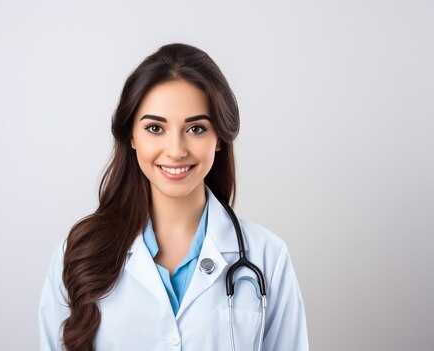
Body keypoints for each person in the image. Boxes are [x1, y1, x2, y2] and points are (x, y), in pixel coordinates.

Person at [39, 43, 309, 351]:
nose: (176, 150)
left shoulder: (267, 257)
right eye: (155, 128)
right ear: (132, 136)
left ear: (218, 137)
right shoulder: (76, 256)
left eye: (196, 129)